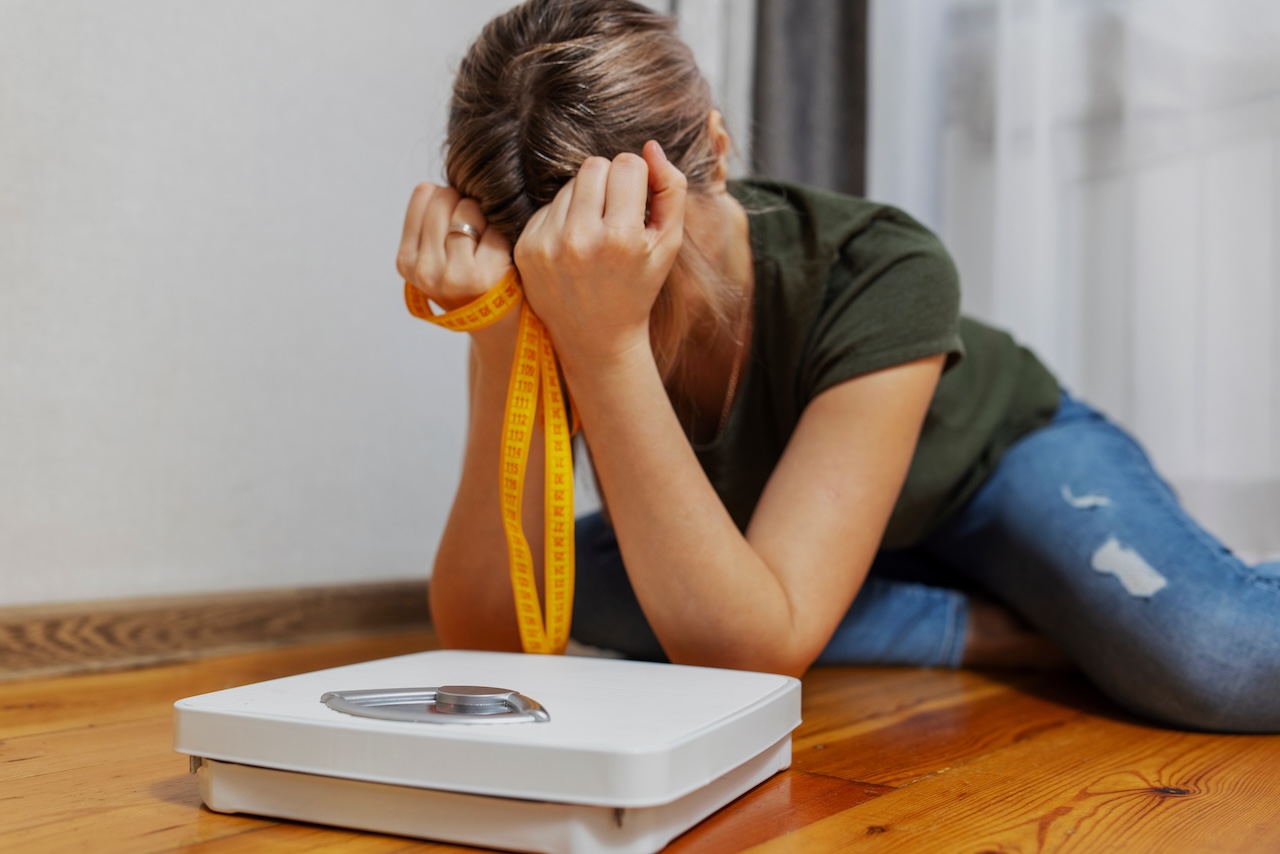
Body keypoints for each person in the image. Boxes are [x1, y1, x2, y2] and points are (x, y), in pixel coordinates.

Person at [396, 0, 1280, 732]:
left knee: (1220, 659)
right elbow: (485, 633)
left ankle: (1013, 592)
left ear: (718, 150)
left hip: (993, 468)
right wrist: (505, 336)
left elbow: (747, 654)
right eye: (558, 271)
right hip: (774, 541)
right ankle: (981, 623)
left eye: (644, 252)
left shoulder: (881, 264)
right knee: (587, 587)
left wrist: (607, 344)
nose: (601, 288)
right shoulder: (547, 276)